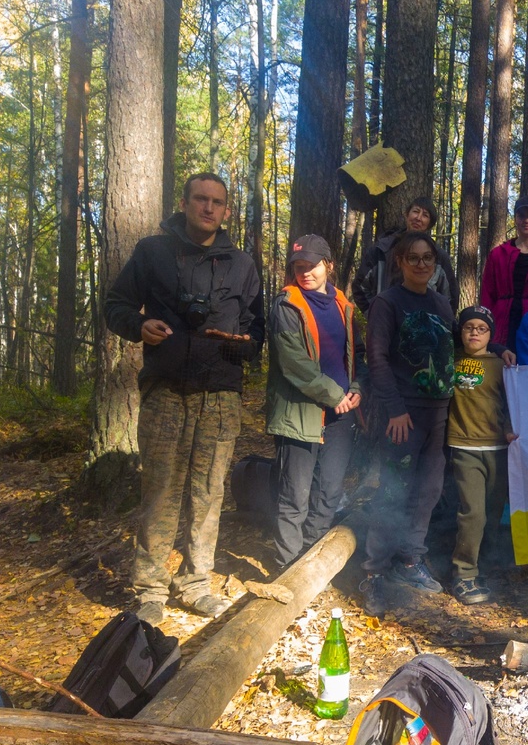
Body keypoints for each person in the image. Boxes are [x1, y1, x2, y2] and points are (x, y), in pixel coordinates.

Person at [105, 172, 264, 624]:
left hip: (220, 394)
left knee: (209, 491)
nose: (208, 208)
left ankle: (196, 582)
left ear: (226, 211)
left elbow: (257, 330)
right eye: (200, 199)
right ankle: (150, 589)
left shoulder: (242, 263)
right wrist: (139, 327)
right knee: (160, 490)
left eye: (217, 202)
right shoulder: (152, 252)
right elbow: (114, 304)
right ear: (186, 202)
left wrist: (242, 342)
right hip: (166, 390)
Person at [361, 230, 456, 597]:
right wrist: (395, 410)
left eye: (427, 258)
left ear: (434, 264)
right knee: (394, 490)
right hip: (403, 415)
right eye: (413, 257)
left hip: (438, 413)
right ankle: (374, 571)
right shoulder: (387, 303)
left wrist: (496, 347)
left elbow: (454, 345)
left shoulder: (441, 303)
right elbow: (378, 359)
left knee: (428, 490)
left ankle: (410, 561)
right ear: (400, 262)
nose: (421, 264)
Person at [265, 235, 360, 572]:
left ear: (328, 265)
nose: (305, 272)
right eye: (299, 267)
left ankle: (311, 562)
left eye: (312, 265)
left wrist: (357, 388)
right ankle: (287, 570)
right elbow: (294, 364)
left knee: (329, 492)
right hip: (300, 413)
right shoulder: (286, 305)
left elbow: (356, 354)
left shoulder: (343, 305)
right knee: (295, 496)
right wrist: (336, 396)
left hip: (341, 415)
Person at [447, 305, 512, 606]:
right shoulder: (451, 360)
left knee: (493, 511)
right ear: (460, 332)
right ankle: (464, 574)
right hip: (464, 448)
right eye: (468, 327)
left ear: (490, 334)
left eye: (481, 328)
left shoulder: (501, 364)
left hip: (497, 448)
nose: (474, 332)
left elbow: (514, 401)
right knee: (473, 512)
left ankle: (486, 564)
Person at [351, 196, 456, 312]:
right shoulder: (382, 249)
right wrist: (376, 315)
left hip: (424, 327)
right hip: (386, 326)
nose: (418, 218)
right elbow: (359, 288)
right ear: (407, 214)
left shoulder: (438, 256)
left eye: (425, 215)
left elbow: (450, 298)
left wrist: (436, 325)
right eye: (415, 211)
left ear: (430, 224)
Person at [480, 196, 528, 350]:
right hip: (501, 322)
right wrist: (485, 325)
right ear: (515, 219)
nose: (526, 220)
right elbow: (487, 295)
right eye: (521, 215)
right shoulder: (498, 254)